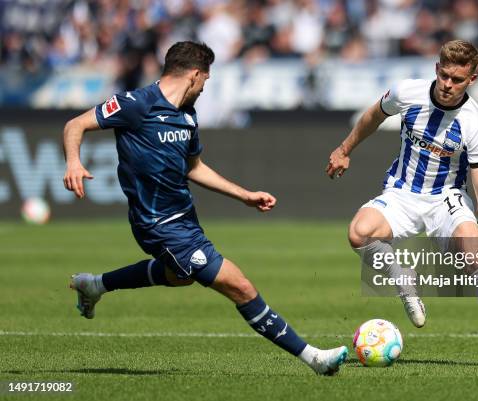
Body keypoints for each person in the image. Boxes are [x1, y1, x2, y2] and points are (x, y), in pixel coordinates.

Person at [63, 41, 347, 375]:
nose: (204, 87)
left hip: (185, 219)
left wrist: (244, 195)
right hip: (157, 223)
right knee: (239, 286)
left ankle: (94, 285)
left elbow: (193, 167)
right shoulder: (136, 104)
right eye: (205, 81)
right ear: (195, 75)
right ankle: (314, 358)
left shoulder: (187, 115)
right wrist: (73, 162)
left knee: (179, 277)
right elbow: (75, 125)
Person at [326, 39, 478, 368]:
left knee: (475, 258)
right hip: (402, 192)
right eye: (444, 75)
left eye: (457, 80)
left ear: (471, 80)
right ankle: (404, 279)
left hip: (447, 200)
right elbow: (373, 115)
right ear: (436, 69)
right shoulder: (407, 93)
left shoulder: (474, 122)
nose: (447, 84)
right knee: (359, 232)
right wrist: (344, 150)